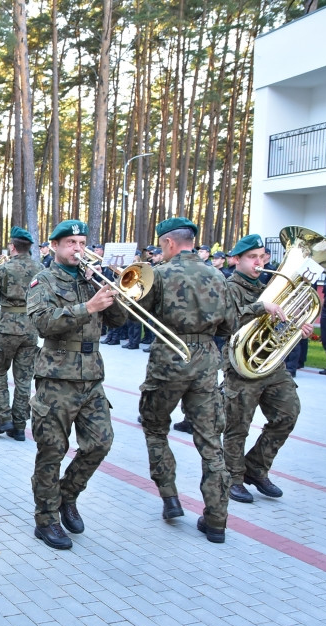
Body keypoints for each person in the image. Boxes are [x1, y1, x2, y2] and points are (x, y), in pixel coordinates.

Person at [27, 220, 127, 550]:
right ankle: (46, 520)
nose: (78, 249)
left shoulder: (92, 279)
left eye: (83, 242)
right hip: (56, 377)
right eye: (70, 242)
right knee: (51, 451)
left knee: (100, 443)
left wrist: (115, 293)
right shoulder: (43, 279)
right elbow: (43, 323)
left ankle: (66, 495)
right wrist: (88, 307)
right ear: (54, 246)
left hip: (92, 376)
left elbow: (119, 321)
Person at [137, 217, 237, 544]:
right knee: (210, 438)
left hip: (168, 357)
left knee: (154, 426)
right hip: (207, 360)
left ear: (168, 243)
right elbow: (229, 326)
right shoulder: (219, 276)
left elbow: (136, 314)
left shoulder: (158, 274)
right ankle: (217, 520)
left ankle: (170, 497)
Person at [222, 234, 311, 504]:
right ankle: (233, 478)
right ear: (237, 260)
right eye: (252, 257)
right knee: (238, 427)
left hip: (272, 365)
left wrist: (297, 328)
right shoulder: (228, 287)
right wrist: (261, 307)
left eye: (262, 256)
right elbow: (225, 321)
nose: (259, 262)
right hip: (242, 367)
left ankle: (256, 468)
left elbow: (276, 327)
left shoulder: (272, 286)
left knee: (287, 415)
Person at [0, 226, 41, 441]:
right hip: (31, 329)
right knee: (24, 379)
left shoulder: (5, 268)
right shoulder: (39, 268)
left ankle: (3, 418)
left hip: (8, 327)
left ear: (13, 246)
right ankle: (19, 427)